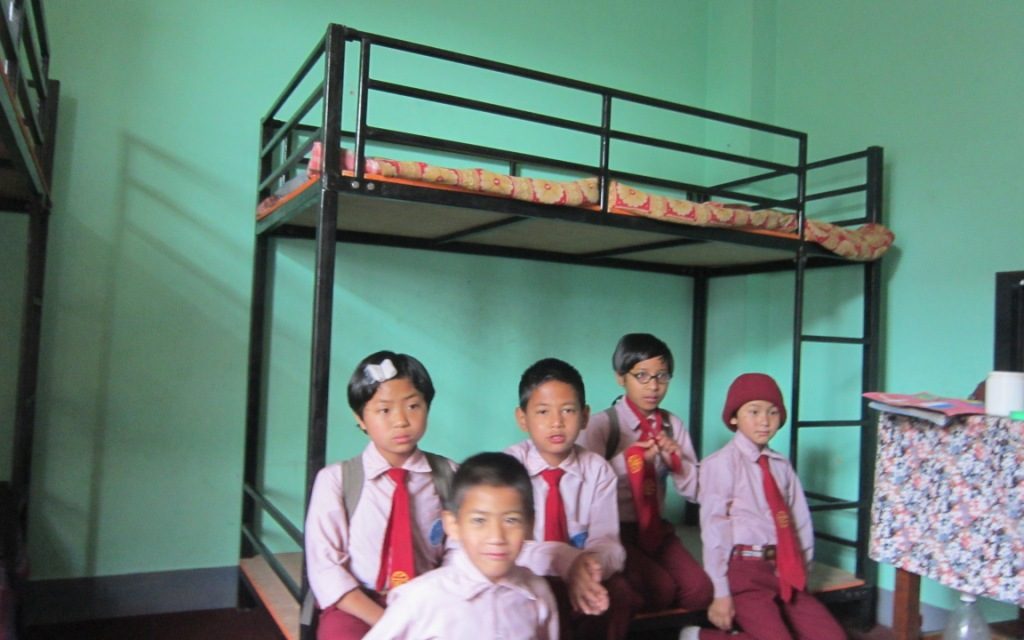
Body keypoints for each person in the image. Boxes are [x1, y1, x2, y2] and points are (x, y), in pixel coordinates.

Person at [304, 351, 456, 640]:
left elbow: (460, 552)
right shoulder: (336, 480)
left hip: (431, 601)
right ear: (360, 418)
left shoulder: (450, 475)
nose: (401, 421)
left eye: (413, 406)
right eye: (384, 410)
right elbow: (326, 568)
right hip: (360, 604)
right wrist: (389, 622)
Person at [685, 372, 845, 640]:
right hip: (744, 571)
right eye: (754, 411)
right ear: (734, 417)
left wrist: (801, 568)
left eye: (773, 412)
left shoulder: (780, 465)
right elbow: (714, 531)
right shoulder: (721, 464)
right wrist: (720, 592)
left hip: (783, 567)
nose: (764, 421)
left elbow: (800, 520)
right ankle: (700, 637)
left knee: (833, 637)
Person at [578, 333, 713, 614]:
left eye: (662, 376)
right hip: (615, 530)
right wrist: (628, 462)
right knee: (660, 589)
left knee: (700, 590)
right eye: (642, 376)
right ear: (620, 377)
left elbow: (696, 492)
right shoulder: (602, 425)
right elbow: (583, 491)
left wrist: (678, 462)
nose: (653, 386)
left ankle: (680, 631)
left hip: (656, 529)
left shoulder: (672, 425)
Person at [505, 358, 636, 639]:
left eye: (568, 410)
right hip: (525, 573)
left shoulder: (597, 470)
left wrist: (587, 569)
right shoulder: (507, 469)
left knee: (619, 594)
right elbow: (507, 546)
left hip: (583, 571)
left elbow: (608, 542)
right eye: (543, 412)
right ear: (522, 418)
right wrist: (565, 562)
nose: (556, 422)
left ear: (585, 416)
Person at [364, 452, 559, 640]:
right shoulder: (420, 598)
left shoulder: (537, 593)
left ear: (530, 524)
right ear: (453, 525)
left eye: (511, 520)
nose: (496, 537)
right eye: (479, 520)